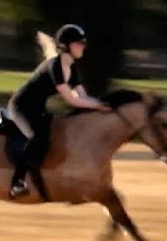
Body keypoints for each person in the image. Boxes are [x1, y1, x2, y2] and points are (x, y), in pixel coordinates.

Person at [6, 23, 111, 198]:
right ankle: (17, 182)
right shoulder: (55, 67)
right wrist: (98, 105)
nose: (83, 46)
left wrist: (101, 105)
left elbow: (83, 96)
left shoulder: (72, 69)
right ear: (66, 46)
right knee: (37, 138)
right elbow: (71, 99)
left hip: (38, 109)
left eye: (83, 43)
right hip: (21, 107)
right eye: (79, 43)